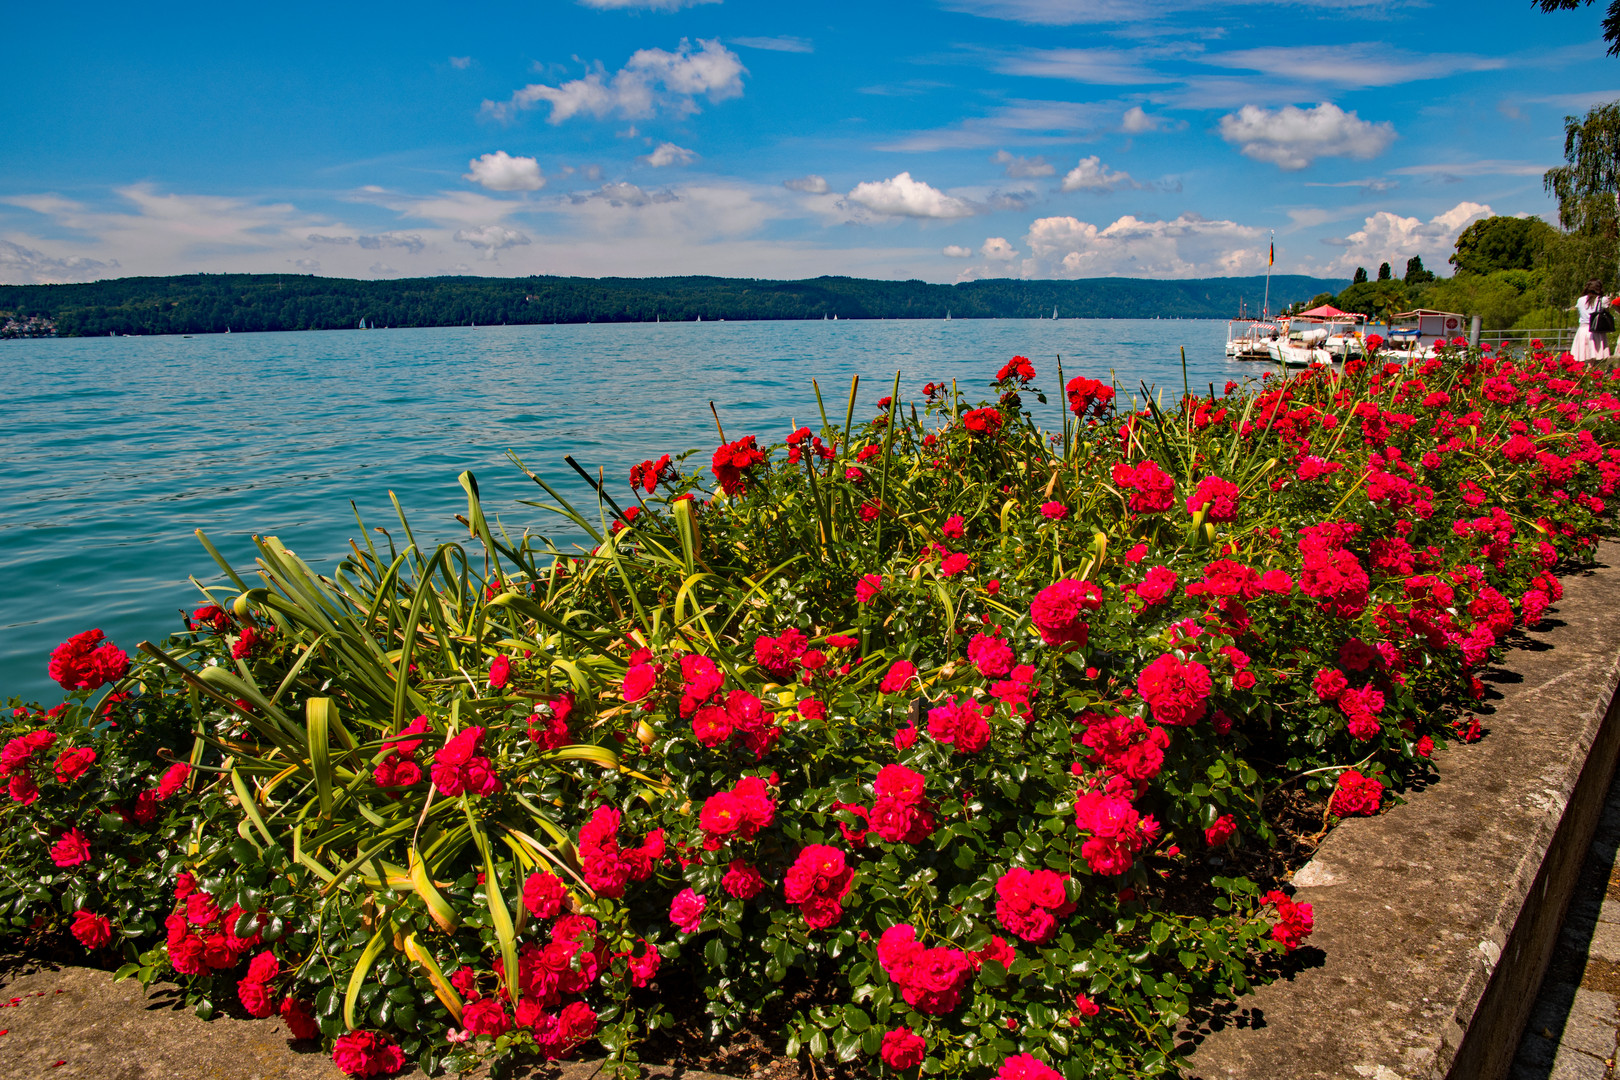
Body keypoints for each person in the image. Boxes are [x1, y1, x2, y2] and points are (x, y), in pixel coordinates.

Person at [1572, 279, 1615, 363]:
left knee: (1584, 358)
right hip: (1596, 329)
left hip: (1582, 330)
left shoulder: (1580, 300)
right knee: (1594, 359)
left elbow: (1579, 315)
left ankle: (1586, 374)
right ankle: (1593, 374)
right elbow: (1606, 313)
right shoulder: (1603, 299)